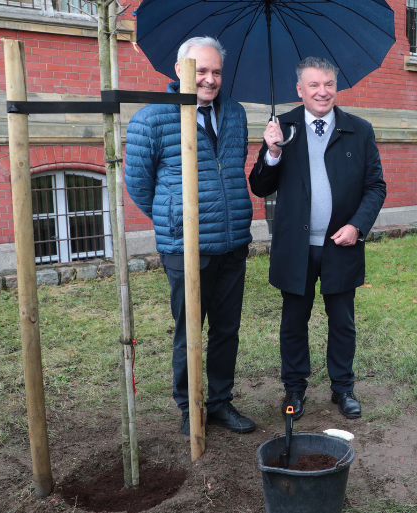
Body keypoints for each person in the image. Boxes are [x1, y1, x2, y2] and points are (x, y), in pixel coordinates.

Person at [125, 37, 255, 436]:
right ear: (180, 70)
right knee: (190, 329)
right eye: (201, 71)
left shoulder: (234, 113)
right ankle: (189, 405)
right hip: (186, 247)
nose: (209, 79)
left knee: (226, 328)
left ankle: (218, 402)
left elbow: (235, 165)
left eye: (216, 72)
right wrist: (173, 218)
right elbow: (139, 184)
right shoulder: (153, 118)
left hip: (232, 241)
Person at [249, 56, 386, 421]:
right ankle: (294, 388)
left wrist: (357, 226)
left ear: (336, 87)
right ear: (300, 89)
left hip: (340, 244)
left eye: (328, 84)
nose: (322, 92)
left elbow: (375, 186)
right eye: (314, 85)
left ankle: (343, 388)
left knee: (342, 321)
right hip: (295, 247)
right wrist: (273, 152)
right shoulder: (284, 128)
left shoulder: (359, 129)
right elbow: (260, 186)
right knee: (294, 321)